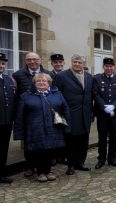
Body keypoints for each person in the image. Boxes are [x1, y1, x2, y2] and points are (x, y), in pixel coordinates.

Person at [14, 73, 71, 182]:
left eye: (44, 81)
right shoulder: (25, 96)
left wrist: (68, 127)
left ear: (49, 83)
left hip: (53, 127)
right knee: (38, 150)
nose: (41, 83)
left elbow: (66, 111)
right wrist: (19, 132)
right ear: (34, 83)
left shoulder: (57, 94)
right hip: (34, 128)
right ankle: (40, 172)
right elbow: (19, 116)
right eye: (38, 81)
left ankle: (48, 170)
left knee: (50, 150)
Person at [53, 54, 93, 174]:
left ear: (83, 64)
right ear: (71, 62)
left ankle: (80, 163)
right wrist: (59, 115)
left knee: (83, 140)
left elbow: (91, 95)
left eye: (79, 62)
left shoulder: (89, 76)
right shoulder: (62, 76)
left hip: (85, 114)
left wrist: (92, 113)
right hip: (69, 114)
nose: (77, 64)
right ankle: (70, 165)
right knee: (71, 141)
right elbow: (56, 95)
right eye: (75, 62)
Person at [92, 57, 116, 169]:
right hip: (102, 114)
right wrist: (103, 107)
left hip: (115, 114)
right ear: (103, 67)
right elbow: (95, 94)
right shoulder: (97, 79)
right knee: (102, 137)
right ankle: (101, 158)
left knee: (113, 136)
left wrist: (114, 106)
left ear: (114, 67)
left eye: (111, 66)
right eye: (107, 66)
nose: (109, 68)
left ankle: (112, 158)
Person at [0, 53, 17, 184]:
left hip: (6, 122)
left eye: (3, 63)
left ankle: (2, 174)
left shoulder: (8, 79)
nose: (1, 65)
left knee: (3, 148)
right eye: (0, 63)